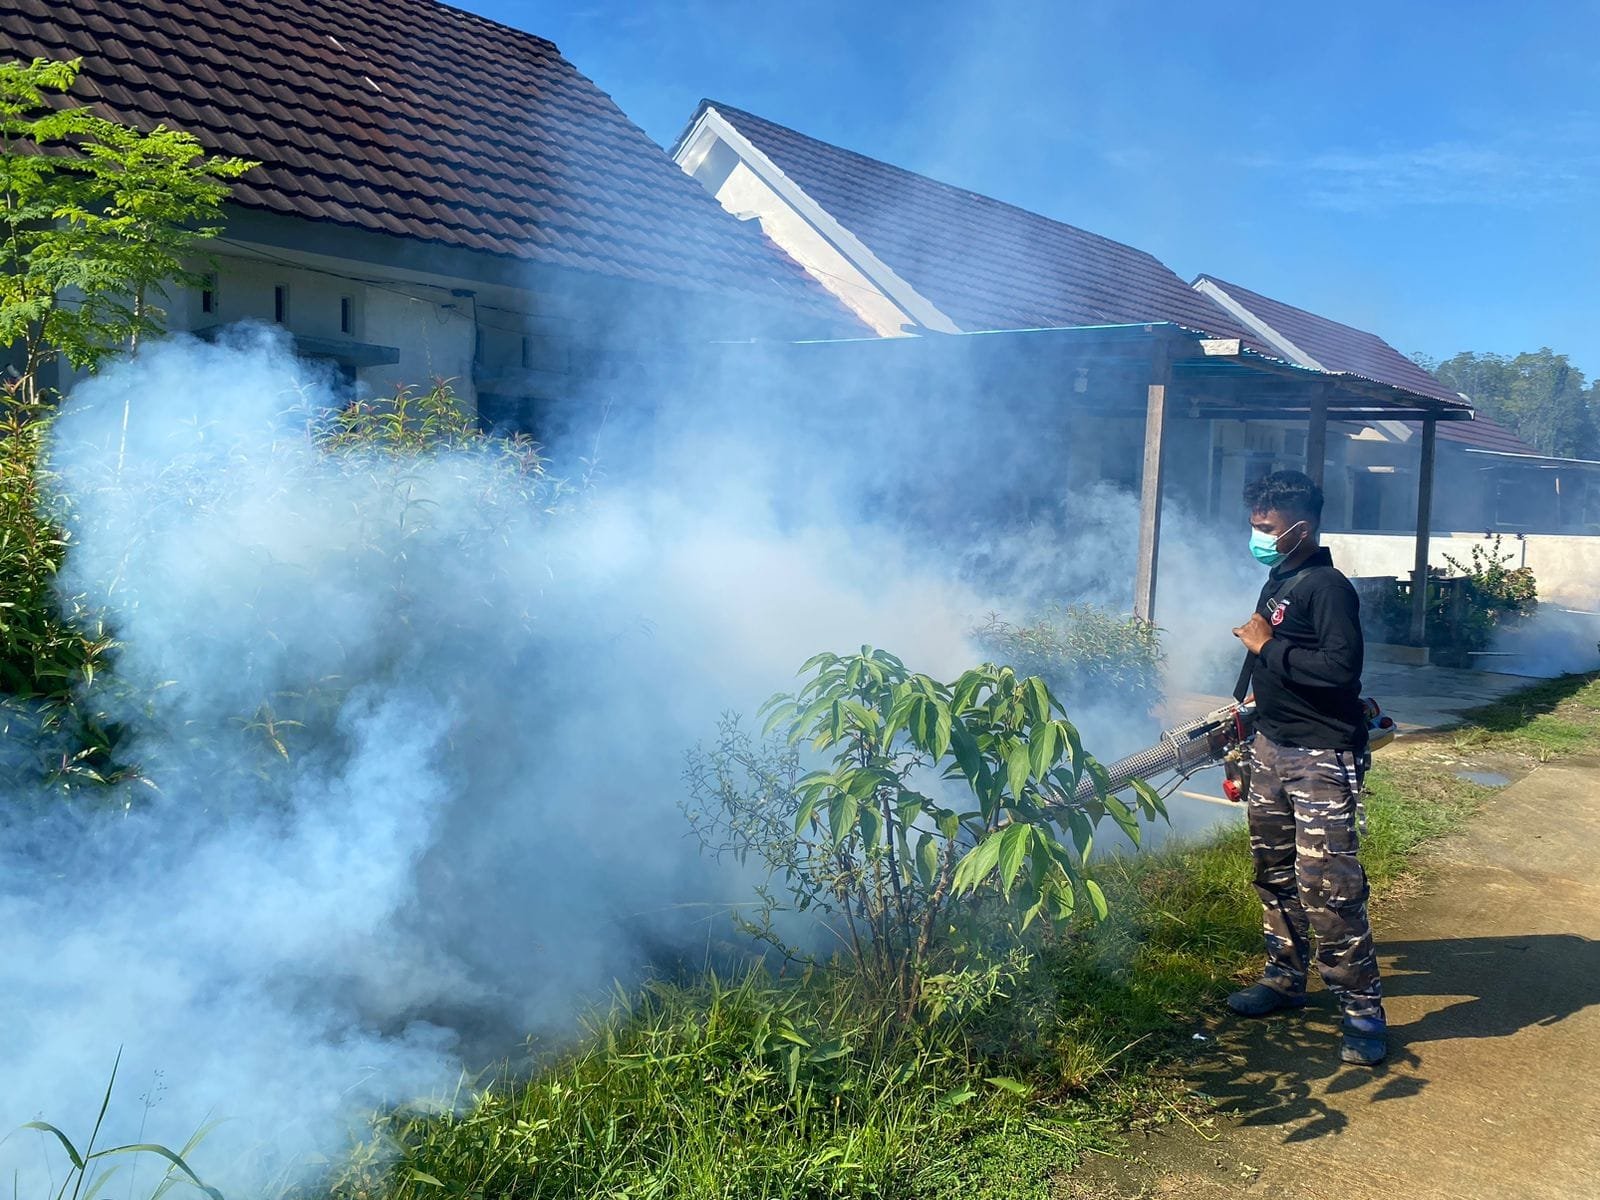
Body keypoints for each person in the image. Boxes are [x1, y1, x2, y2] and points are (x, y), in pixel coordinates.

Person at [1228, 469, 1387, 1066]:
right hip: (1272, 746)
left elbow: (1340, 670)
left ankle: (1363, 1014)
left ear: (1302, 525)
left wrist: (1267, 648)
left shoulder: (1327, 586)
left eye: (1266, 527)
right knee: (1273, 873)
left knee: (1330, 888)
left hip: (1320, 757)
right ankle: (1284, 978)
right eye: (1253, 526)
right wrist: (1251, 700)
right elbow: (1269, 652)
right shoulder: (1280, 577)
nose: (1257, 536)